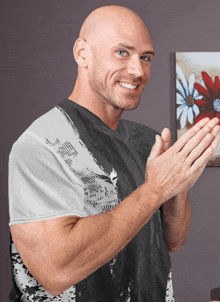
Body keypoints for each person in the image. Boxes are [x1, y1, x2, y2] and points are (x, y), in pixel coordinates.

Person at [8, 5, 220, 302]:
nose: (138, 71)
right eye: (122, 52)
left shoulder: (148, 141)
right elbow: (55, 270)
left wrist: (178, 185)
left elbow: (173, 240)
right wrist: (155, 188)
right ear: (83, 53)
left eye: (145, 57)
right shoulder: (41, 144)